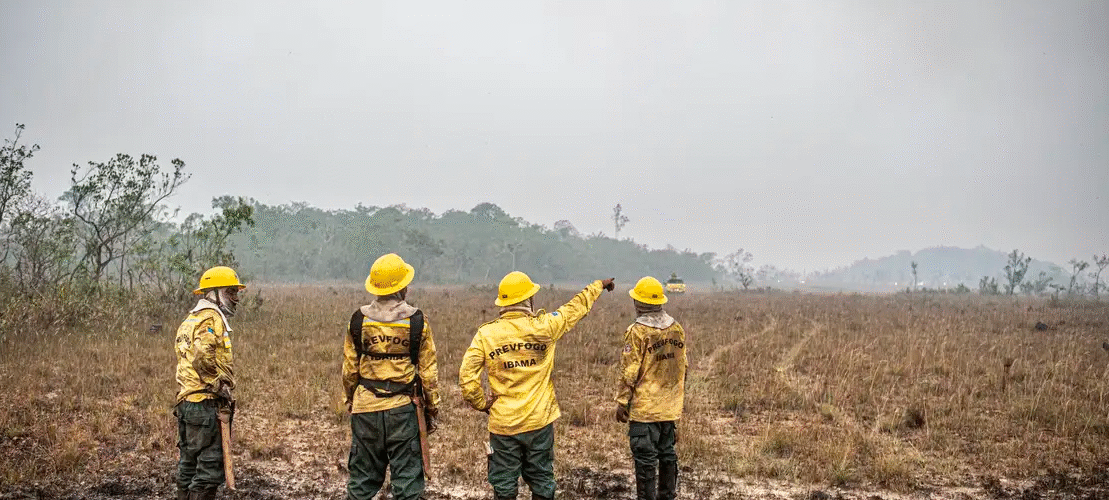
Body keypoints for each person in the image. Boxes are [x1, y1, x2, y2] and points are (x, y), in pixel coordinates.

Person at [460, 271, 615, 500]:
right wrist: (597, 286)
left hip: (503, 425)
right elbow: (574, 309)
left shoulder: (487, 334)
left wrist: (481, 403)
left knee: (503, 486)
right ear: (528, 300)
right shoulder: (546, 326)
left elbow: (467, 376)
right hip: (539, 422)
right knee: (542, 481)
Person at [343, 253, 440, 500]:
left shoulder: (358, 320)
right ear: (403, 287)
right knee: (408, 484)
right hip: (403, 410)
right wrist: (432, 409)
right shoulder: (418, 321)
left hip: (365, 409)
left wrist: (351, 400)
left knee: (361, 482)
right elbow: (428, 373)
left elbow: (350, 370)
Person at [173, 266, 246, 500]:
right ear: (213, 293)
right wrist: (219, 387)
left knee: (188, 467)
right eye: (231, 291)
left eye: (236, 292)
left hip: (187, 404)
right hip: (205, 404)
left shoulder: (190, 319)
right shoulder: (210, 318)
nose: (236, 298)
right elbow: (202, 355)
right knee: (208, 472)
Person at [614, 276, 688, 500]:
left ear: (638, 303)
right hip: (669, 409)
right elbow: (683, 367)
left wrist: (622, 401)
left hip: (645, 411)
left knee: (645, 461)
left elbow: (629, 371)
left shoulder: (637, 332)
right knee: (667, 456)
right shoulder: (676, 328)